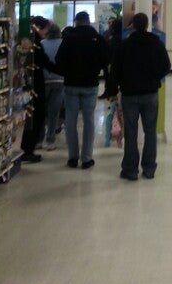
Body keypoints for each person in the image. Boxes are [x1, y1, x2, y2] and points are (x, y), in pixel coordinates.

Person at [107, 12, 171, 181]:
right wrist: (155, 78)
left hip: (129, 94)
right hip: (150, 94)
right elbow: (166, 66)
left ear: (133, 26)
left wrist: (112, 90)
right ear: (147, 24)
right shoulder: (156, 43)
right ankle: (149, 168)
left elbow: (115, 71)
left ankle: (130, 170)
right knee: (150, 132)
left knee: (131, 132)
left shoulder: (124, 46)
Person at [55, 11, 109, 169]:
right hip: (91, 84)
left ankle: (73, 157)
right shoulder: (97, 38)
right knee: (89, 121)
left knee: (70, 121)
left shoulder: (68, 38)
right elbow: (106, 59)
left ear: (76, 22)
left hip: (71, 84)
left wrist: (67, 72)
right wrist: (96, 68)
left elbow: (59, 60)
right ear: (88, 21)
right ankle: (86, 158)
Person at [20, 16, 54, 163]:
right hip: (34, 85)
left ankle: (27, 148)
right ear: (39, 28)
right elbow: (44, 61)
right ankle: (27, 150)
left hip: (27, 84)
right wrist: (63, 70)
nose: (46, 33)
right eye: (46, 29)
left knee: (31, 117)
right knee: (36, 117)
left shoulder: (28, 40)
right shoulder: (35, 44)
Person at [41, 22, 64, 150]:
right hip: (59, 80)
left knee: (42, 111)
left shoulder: (42, 44)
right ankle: (50, 140)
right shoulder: (63, 43)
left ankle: (39, 139)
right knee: (54, 111)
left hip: (43, 81)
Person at [99, 16, 121, 99]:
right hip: (107, 59)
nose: (110, 24)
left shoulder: (118, 35)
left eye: (112, 22)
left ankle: (113, 94)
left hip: (114, 59)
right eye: (109, 22)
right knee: (107, 77)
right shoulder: (105, 33)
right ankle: (107, 92)